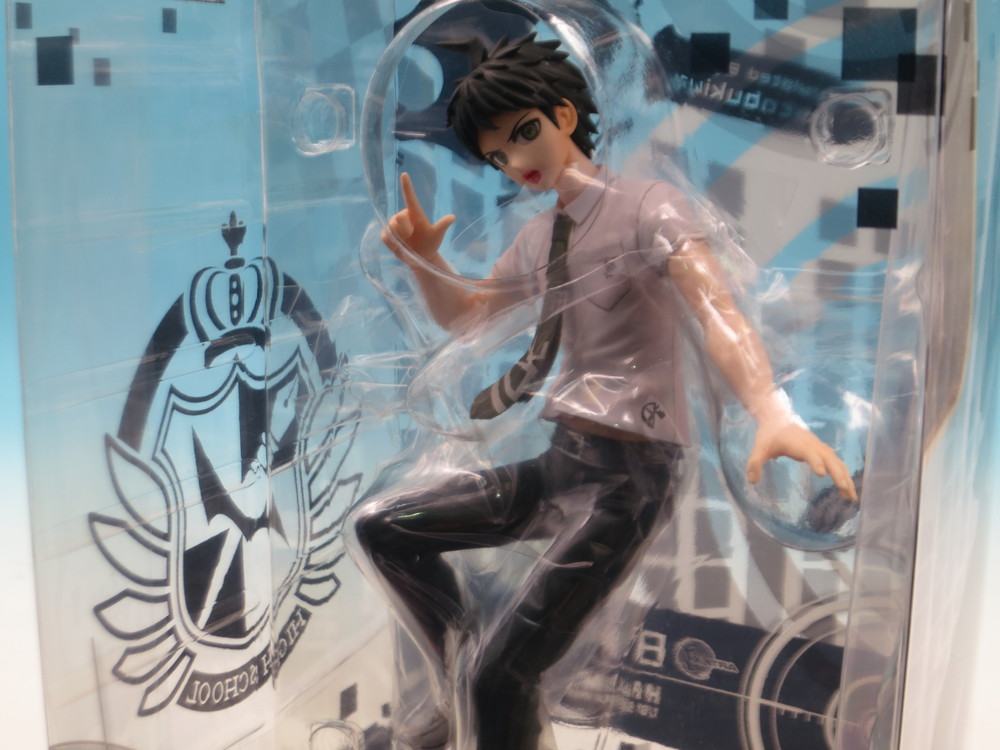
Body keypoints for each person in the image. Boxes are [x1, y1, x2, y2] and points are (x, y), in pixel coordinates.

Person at [352, 34, 856, 750]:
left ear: (565, 115)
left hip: (630, 478)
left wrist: (771, 409)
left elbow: (717, 310)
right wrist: (424, 263)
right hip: (564, 459)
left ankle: (479, 690)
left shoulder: (650, 208)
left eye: (524, 133)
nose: (516, 162)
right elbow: (472, 320)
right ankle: (455, 668)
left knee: (503, 679)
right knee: (384, 529)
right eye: (497, 156)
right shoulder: (539, 236)